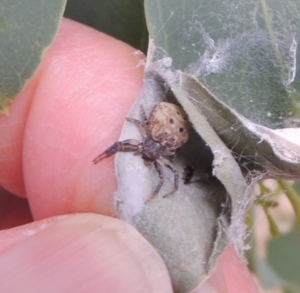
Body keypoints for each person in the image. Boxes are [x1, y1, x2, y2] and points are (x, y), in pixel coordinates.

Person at [0, 18, 260, 292]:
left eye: (149, 154)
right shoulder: (152, 141)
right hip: (168, 124)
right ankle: (100, 158)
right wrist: (103, 156)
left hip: (170, 124)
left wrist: (161, 191)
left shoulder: (158, 151)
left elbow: (165, 170)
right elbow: (138, 132)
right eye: (148, 153)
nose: (146, 156)